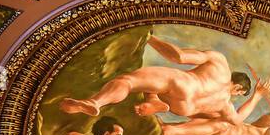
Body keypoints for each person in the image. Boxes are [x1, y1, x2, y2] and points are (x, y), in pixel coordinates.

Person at [60, 36, 259, 120]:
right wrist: (257, 96)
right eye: (239, 94)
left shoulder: (220, 63)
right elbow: (238, 120)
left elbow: (179, 56)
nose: (236, 95)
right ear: (239, 89)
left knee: (128, 82)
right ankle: (154, 100)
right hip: (183, 108)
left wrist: (150, 38)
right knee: (151, 88)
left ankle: (95, 102)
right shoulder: (225, 105)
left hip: (185, 84)